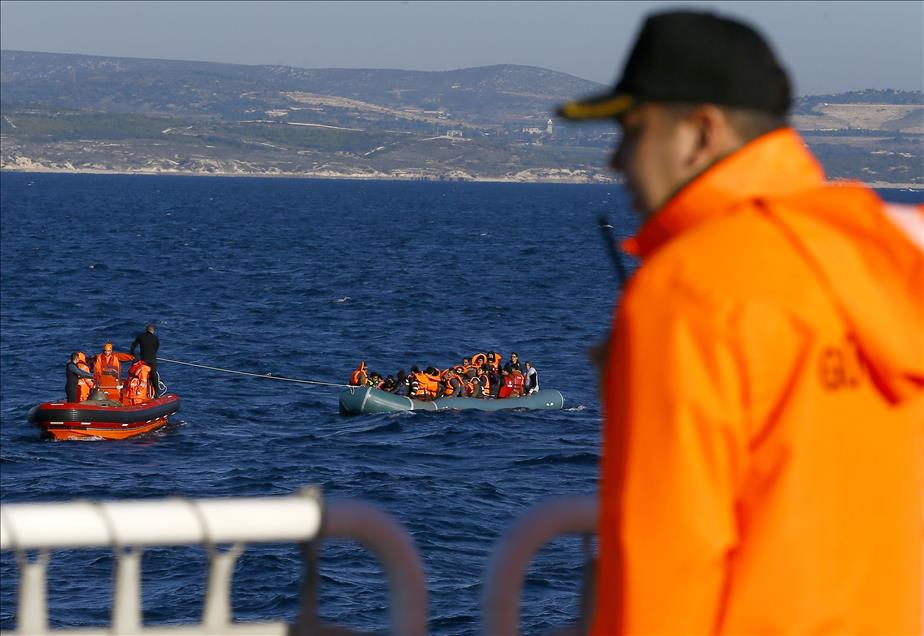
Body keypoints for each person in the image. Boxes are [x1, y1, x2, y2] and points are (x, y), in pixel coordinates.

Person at [558, 9, 923, 635]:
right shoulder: (894, 250)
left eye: (632, 128)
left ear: (701, 132)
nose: (615, 160)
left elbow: (664, 582)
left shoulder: (688, 291)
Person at [130, 323, 161, 396]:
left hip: (143, 358)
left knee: (139, 372)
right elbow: (156, 348)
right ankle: (156, 392)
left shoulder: (140, 336)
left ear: (146, 330)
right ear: (153, 331)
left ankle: (139, 390)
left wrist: (132, 354)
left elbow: (133, 346)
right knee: (153, 374)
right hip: (152, 359)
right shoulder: (155, 338)